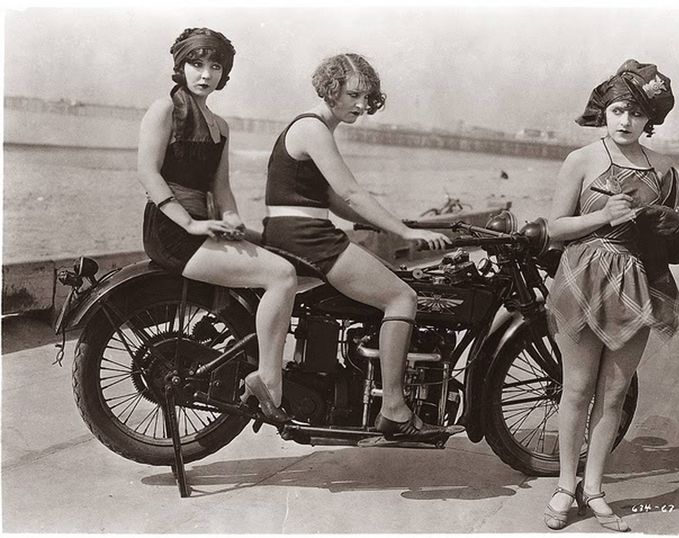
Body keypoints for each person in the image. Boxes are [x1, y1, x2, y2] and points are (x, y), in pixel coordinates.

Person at [261, 53, 452, 439]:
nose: (362, 106)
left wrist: (373, 221)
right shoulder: (314, 128)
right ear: (331, 88)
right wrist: (404, 232)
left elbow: (326, 196)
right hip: (307, 237)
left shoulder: (311, 128)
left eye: (368, 98)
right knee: (402, 297)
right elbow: (349, 190)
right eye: (354, 95)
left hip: (292, 230)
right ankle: (395, 408)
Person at [543, 59, 679, 532]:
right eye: (619, 110)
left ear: (651, 120)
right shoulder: (581, 160)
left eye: (637, 113)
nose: (626, 120)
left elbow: (668, 241)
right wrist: (604, 216)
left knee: (614, 395)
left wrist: (674, 224)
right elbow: (554, 229)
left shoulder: (664, 170)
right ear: (605, 111)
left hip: (638, 281)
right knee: (577, 389)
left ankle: (595, 490)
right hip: (583, 276)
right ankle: (565, 488)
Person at [137, 27, 297, 422]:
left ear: (224, 73)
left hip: (202, 225)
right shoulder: (165, 109)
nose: (205, 74)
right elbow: (147, 173)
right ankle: (269, 380)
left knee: (290, 256)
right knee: (282, 276)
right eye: (196, 63)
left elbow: (220, 187)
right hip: (172, 230)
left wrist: (231, 219)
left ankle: (256, 358)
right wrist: (190, 223)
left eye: (214, 66)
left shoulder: (220, 126)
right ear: (181, 66)